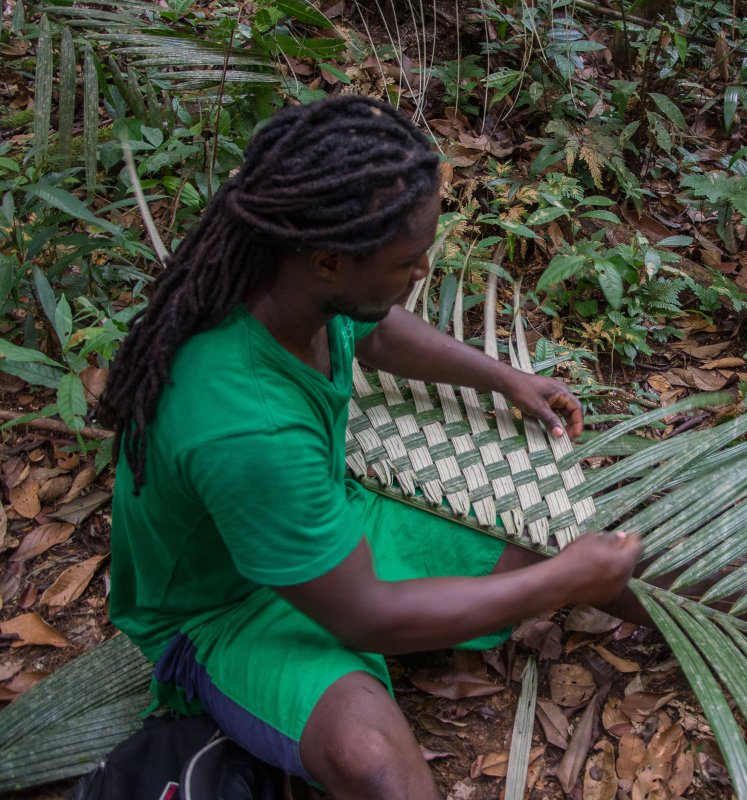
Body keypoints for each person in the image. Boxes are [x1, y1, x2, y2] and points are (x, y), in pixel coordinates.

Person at [98, 95, 643, 799]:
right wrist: (566, 583)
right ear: (329, 260)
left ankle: (720, 636)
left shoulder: (292, 284)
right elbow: (366, 615)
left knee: (551, 536)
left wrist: (503, 378)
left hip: (333, 519)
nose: (421, 276)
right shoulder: (245, 425)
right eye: (409, 262)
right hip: (222, 610)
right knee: (372, 760)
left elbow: (377, 332)